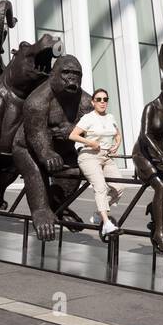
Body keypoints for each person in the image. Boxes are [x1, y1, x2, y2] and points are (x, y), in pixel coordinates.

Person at [69, 88, 123, 239]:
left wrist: (116, 145)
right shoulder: (88, 118)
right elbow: (72, 135)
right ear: (93, 102)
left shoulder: (111, 117)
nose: (102, 102)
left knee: (120, 187)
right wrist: (90, 142)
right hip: (89, 155)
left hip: (106, 156)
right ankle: (106, 224)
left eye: (105, 99)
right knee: (100, 187)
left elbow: (118, 135)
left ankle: (99, 213)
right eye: (98, 99)